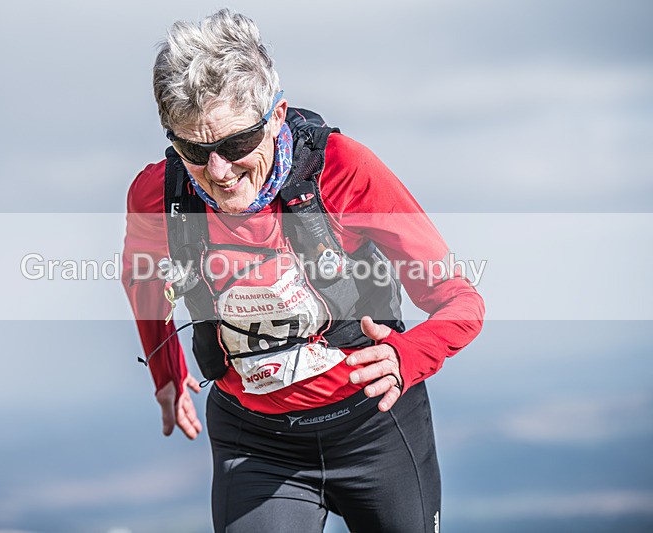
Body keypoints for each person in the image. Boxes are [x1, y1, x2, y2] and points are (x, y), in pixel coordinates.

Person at [122, 9, 484, 532]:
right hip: (254, 442)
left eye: (235, 144)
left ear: (276, 115)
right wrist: (168, 375)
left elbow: (459, 299)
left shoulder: (343, 169)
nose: (218, 172)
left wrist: (408, 355)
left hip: (373, 427)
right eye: (193, 150)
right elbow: (142, 279)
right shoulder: (159, 195)